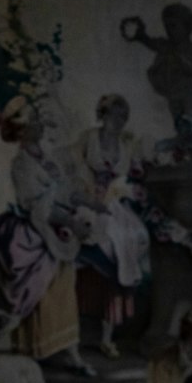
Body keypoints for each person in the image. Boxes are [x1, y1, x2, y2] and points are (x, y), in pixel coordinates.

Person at [0, 95, 96, 373]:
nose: (42, 126)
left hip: (58, 231)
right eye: (36, 122)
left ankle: (70, 352)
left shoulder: (47, 157)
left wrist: (86, 203)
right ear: (24, 130)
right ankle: (32, 350)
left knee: (64, 293)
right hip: (33, 233)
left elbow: (63, 191)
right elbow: (34, 207)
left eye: (40, 122)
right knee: (36, 290)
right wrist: (69, 220)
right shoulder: (22, 165)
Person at [70, 94, 150, 356]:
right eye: (114, 115)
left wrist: (125, 189)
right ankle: (73, 331)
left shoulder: (126, 145)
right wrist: (91, 194)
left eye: (123, 117)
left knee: (129, 240)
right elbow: (74, 172)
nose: (119, 121)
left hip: (114, 205)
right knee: (93, 239)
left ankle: (108, 336)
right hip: (88, 201)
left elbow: (132, 177)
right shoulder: (88, 139)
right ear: (102, 114)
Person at [121, 5, 192, 168]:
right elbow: (151, 42)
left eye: (174, 26)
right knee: (182, 126)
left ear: (187, 27)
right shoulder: (167, 46)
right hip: (174, 96)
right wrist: (139, 35)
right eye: (167, 26)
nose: (169, 30)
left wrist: (189, 71)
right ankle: (187, 152)